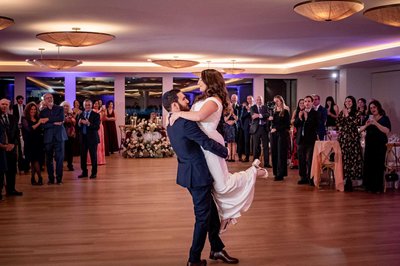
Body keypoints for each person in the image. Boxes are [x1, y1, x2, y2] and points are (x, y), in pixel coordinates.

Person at [170, 69, 267, 234]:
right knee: (214, 185)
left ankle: (253, 172)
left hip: (211, 143)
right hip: (202, 144)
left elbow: (199, 116)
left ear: (209, 81)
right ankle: (226, 214)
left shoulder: (214, 100)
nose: (198, 83)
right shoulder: (204, 98)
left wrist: (178, 113)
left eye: (200, 80)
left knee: (222, 185)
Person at [163, 89, 240, 266]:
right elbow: (205, 142)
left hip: (189, 173)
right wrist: (225, 151)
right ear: (175, 105)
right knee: (203, 217)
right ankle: (193, 259)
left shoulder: (170, 121)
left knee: (211, 212)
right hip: (197, 176)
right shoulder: (184, 122)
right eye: (183, 99)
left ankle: (217, 249)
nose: (187, 101)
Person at [360, 100, 391, 193]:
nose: (372, 109)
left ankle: (377, 187)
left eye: (374, 107)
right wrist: (366, 125)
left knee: (378, 165)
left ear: (378, 107)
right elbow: (360, 129)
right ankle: (369, 186)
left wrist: (376, 123)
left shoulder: (385, 118)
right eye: (370, 108)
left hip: (380, 144)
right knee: (369, 164)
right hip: (370, 144)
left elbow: (387, 131)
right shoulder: (368, 118)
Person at [39, 93, 68, 185]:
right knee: (48, 159)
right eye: (47, 98)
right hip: (48, 138)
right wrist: (53, 123)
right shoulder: (42, 112)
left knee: (60, 159)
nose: (49, 99)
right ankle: (51, 178)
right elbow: (43, 125)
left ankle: (59, 178)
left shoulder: (60, 108)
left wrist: (47, 119)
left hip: (60, 137)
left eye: (51, 97)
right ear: (44, 100)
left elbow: (61, 118)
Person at [337, 96, 363, 192]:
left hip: (352, 139)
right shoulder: (342, 112)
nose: (348, 102)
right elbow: (338, 123)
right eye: (346, 101)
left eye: (350, 101)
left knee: (352, 159)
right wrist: (344, 121)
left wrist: (347, 116)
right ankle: (344, 179)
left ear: (353, 102)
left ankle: (350, 181)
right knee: (344, 158)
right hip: (343, 139)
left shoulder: (357, 113)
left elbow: (354, 124)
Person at [0, 98, 23, 196]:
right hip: (0, 148)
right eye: (2, 104)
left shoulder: (13, 117)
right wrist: (3, 145)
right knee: (1, 171)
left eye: (6, 104)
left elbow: (17, 133)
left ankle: (11, 190)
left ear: (9, 106)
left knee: (11, 170)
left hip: (12, 148)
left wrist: (13, 144)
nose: (4, 106)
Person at [294, 95, 319, 185]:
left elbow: (315, 125)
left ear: (312, 103)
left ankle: (310, 178)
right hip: (301, 139)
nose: (307, 103)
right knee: (301, 159)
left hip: (310, 140)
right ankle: (303, 177)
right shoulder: (300, 112)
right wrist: (300, 118)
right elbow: (296, 124)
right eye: (305, 101)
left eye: (309, 101)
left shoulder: (315, 113)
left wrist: (307, 118)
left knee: (310, 159)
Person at [21, 102, 46, 185]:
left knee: (35, 161)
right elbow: (29, 129)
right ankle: (40, 177)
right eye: (31, 109)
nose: (33, 111)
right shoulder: (24, 118)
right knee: (34, 161)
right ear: (28, 110)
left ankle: (32, 178)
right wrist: (39, 123)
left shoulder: (37, 117)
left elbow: (41, 130)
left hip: (38, 142)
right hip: (29, 142)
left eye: (35, 109)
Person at [77, 99, 100, 179]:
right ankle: (84, 172)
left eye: (89, 105)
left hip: (92, 139)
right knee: (83, 156)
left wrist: (88, 123)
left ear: (91, 105)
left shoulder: (96, 115)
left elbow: (97, 127)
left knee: (93, 156)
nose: (87, 106)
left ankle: (94, 173)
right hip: (83, 139)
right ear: (83, 106)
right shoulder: (81, 114)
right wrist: (79, 123)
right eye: (86, 105)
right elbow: (77, 127)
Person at [269, 95, 290, 181]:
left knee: (280, 154)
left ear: (281, 101)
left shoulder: (285, 111)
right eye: (275, 101)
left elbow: (287, 125)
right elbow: (273, 124)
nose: (276, 103)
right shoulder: (273, 111)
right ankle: (276, 173)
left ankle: (280, 174)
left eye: (277, 101)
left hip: (281, 134)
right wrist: (271, 122)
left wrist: (276, 128)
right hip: (274, 135)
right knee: (274, 153)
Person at [250, 95, 272, 168]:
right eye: (258, 99)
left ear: (262, 100)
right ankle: (255, 163)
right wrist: (263, 115)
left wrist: (259, 115)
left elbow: (268, 115)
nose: (259, 101)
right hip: (256, 129)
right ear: (256, 100)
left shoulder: (265, 107)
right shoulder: (253, 107)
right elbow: (253, 116)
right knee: (256, 146)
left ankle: (266, 163)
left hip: (264, 128)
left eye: (260, 99)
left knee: (265, 146)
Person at [12, 95, 29, 173]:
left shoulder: (25, 106)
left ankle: (25, 166)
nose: (21, 100)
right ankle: (20, 166)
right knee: (19, 146)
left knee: (24, 145)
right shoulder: (14, 107)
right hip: (17, 126)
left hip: (24, 126)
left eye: (22, 99)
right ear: (17, 100)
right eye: (19, 99)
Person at [88, 100, 106, 166]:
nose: (96, 105)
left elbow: (103, 119)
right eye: (95, 103)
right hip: (94, 127)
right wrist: (100, 110)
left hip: (100, 127)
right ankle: (92, 160)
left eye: (97, 104)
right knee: (95, 143)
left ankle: (100, 160)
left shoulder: (100, 111)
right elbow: (95, 117)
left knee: (100, 143)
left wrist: (104, 112)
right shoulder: (92, 111)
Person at [60, 101, 76, 171]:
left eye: (67, 106)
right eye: (64, 106)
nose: (65, 107)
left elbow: (74, 122)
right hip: (61, 135)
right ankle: (60, 165)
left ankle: (70, 165)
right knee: (61, 151)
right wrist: (67, 120)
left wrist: (69, 120)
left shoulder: (71, 114)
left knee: (70, 151)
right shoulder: (59, 114)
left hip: (70, 134)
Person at [238, 96, 253, 162]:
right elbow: (242, 117)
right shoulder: (244, 107)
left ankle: (255, 158)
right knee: (246, 142)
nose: (249, 100)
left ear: (253, 100)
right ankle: (247, 157)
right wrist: (248, 111)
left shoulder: (255, 106)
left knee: (254, 143)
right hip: (246, 127)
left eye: (250, 99)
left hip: (255, 127)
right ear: (247, 100)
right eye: (248, 99)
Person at [290, 99, 304, 169]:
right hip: (296, 130)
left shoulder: (306, 111)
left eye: (302, 103)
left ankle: (302, 163)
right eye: (300, 103)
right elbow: (291, 121)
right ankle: (295, 163)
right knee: (295, 147)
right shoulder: (296, 111)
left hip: (304, 131)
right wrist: (298, 118)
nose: (301, 104)